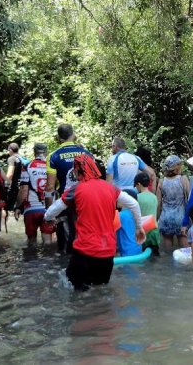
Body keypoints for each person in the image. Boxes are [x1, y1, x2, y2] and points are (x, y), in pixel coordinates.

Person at [45, 154, 145, 291]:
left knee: (72, 287)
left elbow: (53, 210)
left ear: (78, 171)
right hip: (108, 252)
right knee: (100, 291)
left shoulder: (76, 189)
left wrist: (48, 218)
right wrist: (139, 228)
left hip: (85, 251)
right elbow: (134, 204)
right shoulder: (111, 188)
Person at [44, 124, 93, 254]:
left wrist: (50, 211)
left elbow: (50, 186)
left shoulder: (53, 156)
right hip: (87, 200)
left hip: (65, 202)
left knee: (66, 244)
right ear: (73, 134)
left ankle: (66, 266)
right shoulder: (86, 153)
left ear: (59, 138)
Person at [17, 143, 54, 245]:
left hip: (31, 208)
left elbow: (24, 189)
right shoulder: (52, 166)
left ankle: (32, 261)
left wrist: (18, 206)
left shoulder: (27, 166)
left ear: (34, 152)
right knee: (47, 242)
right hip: (48, 208)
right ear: (46, 152)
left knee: (31, 242)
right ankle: (49, 260)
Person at [156, 155, 190, 248]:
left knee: (167, 251)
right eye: (180, 164)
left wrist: (157, 219)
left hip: (166, 217)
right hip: (180, 218)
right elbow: (189, 199)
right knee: (185, 250)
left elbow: (158, 203)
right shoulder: (183, 179)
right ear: (177, 166)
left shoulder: (161, 181)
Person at [134, 172, 160, 254]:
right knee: (155, 257)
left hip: (143, 233)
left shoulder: (137, 197)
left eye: (136, 186)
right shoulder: (154, 197)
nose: (136, 188)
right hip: (154, 232)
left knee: (143, 258)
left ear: (139, 184)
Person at [116, 189, 144, 257]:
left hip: (127, 251)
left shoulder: (120, 216)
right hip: (138, 248)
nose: (117, 199)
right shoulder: (136, 215)